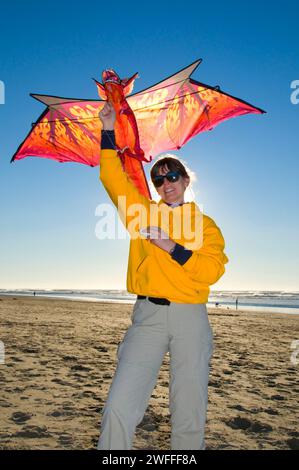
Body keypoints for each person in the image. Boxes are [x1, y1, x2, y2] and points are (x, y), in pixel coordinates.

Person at [97, 101, 229, 450]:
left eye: (172, 175)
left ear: (186, 180)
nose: (165, 182)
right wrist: (108, 130)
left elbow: (211, 270)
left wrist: (174, 248)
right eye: (159, 178)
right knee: (119, 404)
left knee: (188, 406)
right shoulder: (141, 214)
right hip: (148, 316)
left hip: (190, 317)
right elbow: (111, 178)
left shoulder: (206, 224)